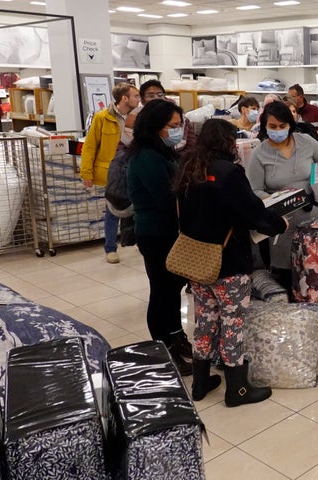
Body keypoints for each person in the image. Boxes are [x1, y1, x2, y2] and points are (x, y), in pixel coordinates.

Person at [174, 118, 288, 405]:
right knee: (233, 322)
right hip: (228, 262)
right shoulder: (229, 173)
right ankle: (237, 389)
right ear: (227, 142)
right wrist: (279, 224)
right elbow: (252, 213)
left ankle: (200, 382)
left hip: (196, 260)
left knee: (205, 321)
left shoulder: (189, 168)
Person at [126, 99, 193, 375]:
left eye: (180, 125)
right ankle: (162, 347)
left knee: (172, 288)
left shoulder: (163, 152)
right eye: (173, 126)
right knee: (161, 291)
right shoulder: (146, 157)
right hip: (155, 234)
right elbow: (166, 199)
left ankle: (177, 338)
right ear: (156, 127)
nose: (177, 131)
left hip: (169, 232)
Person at [246, 100, 318, 292]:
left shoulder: (307, 142)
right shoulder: (259, 154)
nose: (278, 130)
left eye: (282, 126)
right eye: (272, 126)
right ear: (264, 125)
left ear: (291, 124)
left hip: (313, 221)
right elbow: (254, 189)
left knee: (315, 273)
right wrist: (277, 200)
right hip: (282, 227)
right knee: (286, 279)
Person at [80, 82, 141, 264]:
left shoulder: (139, 117)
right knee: (113, 209)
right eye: (135, 96)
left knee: (138, 205)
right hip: (112, 171)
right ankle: (110, 248)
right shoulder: (102, 118)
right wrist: (87, 173)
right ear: (124, 98)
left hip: (135, 167)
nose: (139, 99)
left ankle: (136, 240)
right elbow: (89, 147)